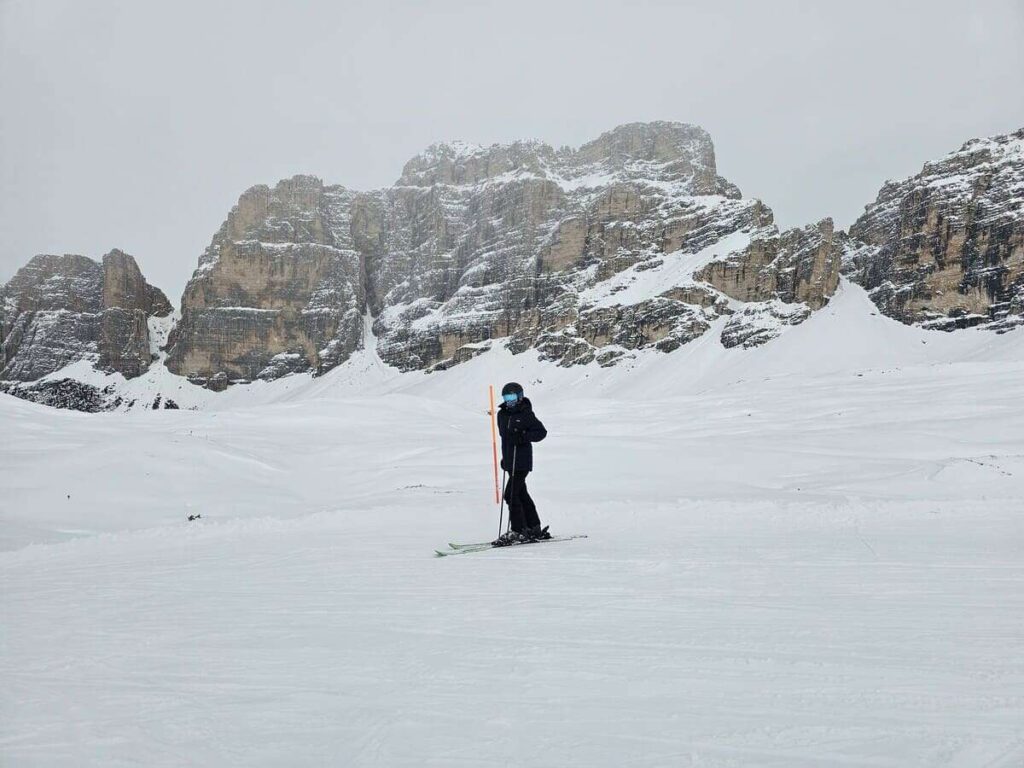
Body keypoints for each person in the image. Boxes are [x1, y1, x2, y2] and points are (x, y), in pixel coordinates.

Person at [493, 381, 550, 546]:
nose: (509, 400)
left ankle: (518, 530)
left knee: (510, 495)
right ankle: (533, 527)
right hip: (510, 461)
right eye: (506, 397)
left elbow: (541, 432)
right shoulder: (502, 415)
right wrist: (505, 459)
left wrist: (523, 436)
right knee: (520, 494)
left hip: (522, 462)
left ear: (520, 396)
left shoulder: (525, 413)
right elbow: (505, 439)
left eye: (512, 397)